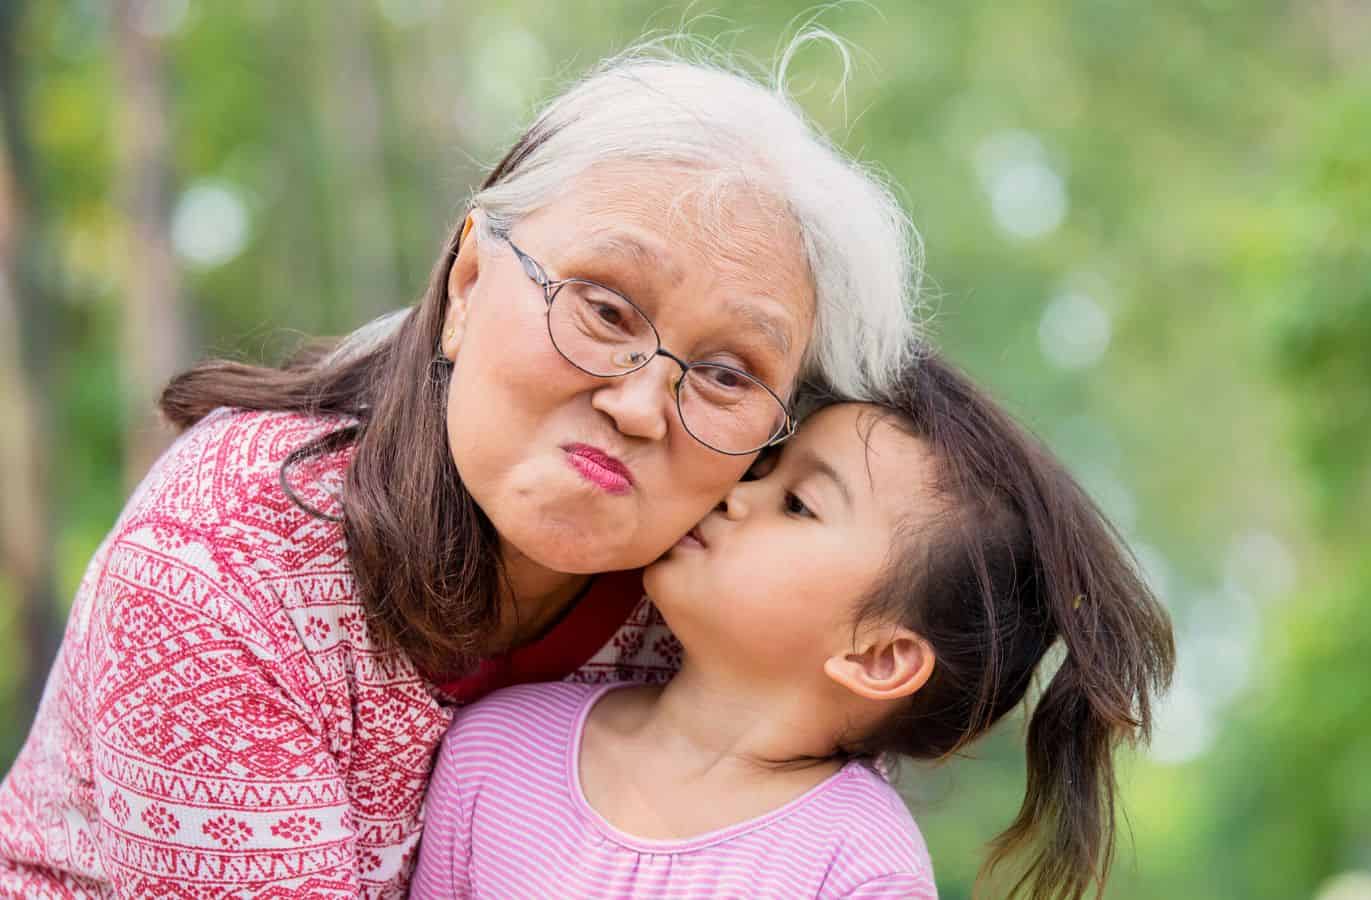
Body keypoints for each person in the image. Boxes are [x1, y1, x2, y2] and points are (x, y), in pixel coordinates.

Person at [0, 40, 923, 896]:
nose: (640, 407)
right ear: (471, 281)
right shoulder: (223, 564)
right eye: (603, 310)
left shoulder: (721, 612)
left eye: (726, 375)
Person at [410, 355, 1176, 900]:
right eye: (767, 470)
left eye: (798, 504)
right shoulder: (494, 746)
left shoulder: (858, 866)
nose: (739, 495)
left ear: (879, 657)